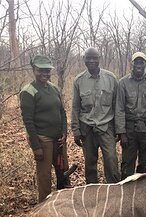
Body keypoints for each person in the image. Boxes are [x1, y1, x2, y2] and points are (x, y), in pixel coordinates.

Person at [20, 54, 70, 202]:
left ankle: (63, 204)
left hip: (58, 140)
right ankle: (44, 207)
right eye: (41, 70)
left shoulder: (54, 88)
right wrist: (36, 147)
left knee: (63, 172)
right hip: (43, 139)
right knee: (44, 176)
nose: (44, 74)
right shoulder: (28, 92)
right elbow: (28, 121)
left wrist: (64, 132)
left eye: (47, 71)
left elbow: (62, 111)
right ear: (34, 70)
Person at [71, 47, 120, 184]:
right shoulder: (78, 80)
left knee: (111, 161)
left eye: (95, 58)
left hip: (107, 127)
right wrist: (76, 130)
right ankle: (92, 195)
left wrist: (119, 129)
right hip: (87, 128)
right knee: (90, 164)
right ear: (84, 59)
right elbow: (75, 107)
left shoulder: (111, 78)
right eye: (88, 58)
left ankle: (114, 193)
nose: (91, 61)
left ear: (99, 59)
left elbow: (117, 106)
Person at [115, 52, 146, 179]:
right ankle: (125, 194)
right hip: (129, 128)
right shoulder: (123, 83)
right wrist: (122, 133)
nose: (138, 65)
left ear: (145, 64)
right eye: (136, 62)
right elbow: (119, 108)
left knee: (144, 164)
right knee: (127, 164)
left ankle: (139, 194)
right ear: (132, 63)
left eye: (141, 62)